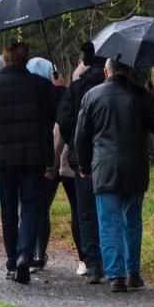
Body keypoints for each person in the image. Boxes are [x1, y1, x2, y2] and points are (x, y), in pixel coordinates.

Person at [0, 41, 60, 284]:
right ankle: (25, 254)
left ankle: (11, 262)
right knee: (30, 206)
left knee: (8, 208)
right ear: (26, 61)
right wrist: (60, 89)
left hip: (1, 159)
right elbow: (59, 114)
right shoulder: (42, 87)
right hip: (34, 156)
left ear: (4, 61)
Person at [75, 58, 154, 293]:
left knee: (108, 222)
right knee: (132, 220)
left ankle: (116, 274)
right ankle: (133, 271)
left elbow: (81, 137)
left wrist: (85, 166)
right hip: (135, 168)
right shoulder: (141, 95)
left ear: (107, 72)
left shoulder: (92, 96)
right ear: (128, 70)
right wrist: (151, 97)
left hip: (104, 168)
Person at [57, 42, 106, 281]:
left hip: (82, 157)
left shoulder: (77, 88)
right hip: (108, 156)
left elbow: (64, 120)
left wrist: (73, 142)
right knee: (108, 210)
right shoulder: (112, 85)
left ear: (85, 62)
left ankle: (93, 264)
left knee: (85, 210)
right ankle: (114, 259)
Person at [27, 57, 64, 270]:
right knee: (43, 208)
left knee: (32, 207)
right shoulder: (56, 97)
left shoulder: (27, 97)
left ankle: (32, 251)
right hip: (52, 160)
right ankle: (39, 251)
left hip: (34, 160)